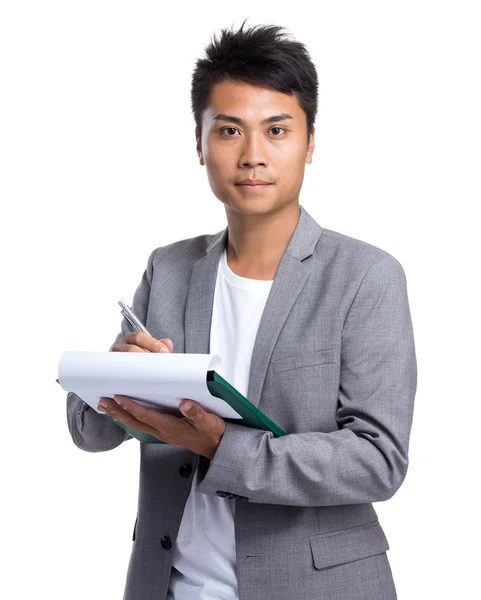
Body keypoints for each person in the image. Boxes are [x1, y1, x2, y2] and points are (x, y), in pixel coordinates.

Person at [66, 20, 417, 600]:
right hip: (169, 585)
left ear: (310, 142)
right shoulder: (169, 267)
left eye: (276, 130)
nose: (253, 155)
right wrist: (117, 374)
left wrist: (223, 447)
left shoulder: (366, 277)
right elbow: (92, 433)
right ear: (199, 143)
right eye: (229, 130)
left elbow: (378, 460)